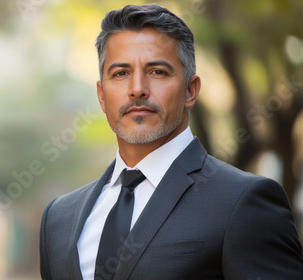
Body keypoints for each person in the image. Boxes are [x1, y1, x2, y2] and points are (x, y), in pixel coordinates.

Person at [39, 4, 303, 280]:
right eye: (120, 73)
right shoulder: (59, 219)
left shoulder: (244, 202)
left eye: (157, 72)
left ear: (191, 90)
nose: (137, 89)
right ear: (102, 95)